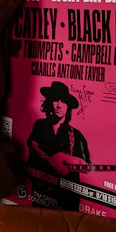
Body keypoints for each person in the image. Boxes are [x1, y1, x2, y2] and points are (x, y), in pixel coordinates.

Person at [26, 81, 91, 209]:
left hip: (66, 200)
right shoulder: (40, 125)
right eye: (55, 100)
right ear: (49, 103)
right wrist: (52, 160)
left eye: (63, 101)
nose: (59, 105)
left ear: (68, 107)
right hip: (42, 194)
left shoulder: (76, 135)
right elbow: (33, 146)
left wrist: (69, 160)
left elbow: (86, 166)